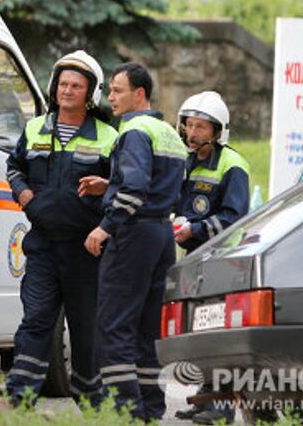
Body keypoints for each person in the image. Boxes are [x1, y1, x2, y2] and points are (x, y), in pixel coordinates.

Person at [5, 51, 118, 407]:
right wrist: (25, 195)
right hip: (42, 248)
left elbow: (122, 186)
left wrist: (105, 187)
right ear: (54, 88)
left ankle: (92, 404)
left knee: (86, 332)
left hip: (86, 252)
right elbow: (14, 167)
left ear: (90, 93)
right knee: (36, 320)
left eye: (76, 86)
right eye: (63, 84)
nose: (67, 91)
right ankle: (19, 399)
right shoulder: (35, 127)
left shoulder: (108, 136)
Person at [81, 63, 186, 422]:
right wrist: (108, 183)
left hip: (133, 234)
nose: (110, 96)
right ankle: (151, 411)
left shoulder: (134, 131)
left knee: (114, 325)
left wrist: (105, 226)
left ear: (139, 94)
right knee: (146, 329)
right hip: (161, 236)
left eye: (117, 89)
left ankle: (125, 413)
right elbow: (157, 184)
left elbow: (135, 189)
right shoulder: (168, 132)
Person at [172, 91, 250, 425]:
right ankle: (205, 401)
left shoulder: (233, 165)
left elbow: (234, 217)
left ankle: (220, 408)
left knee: (217, 332)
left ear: (218, 131)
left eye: (201, 127)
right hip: (194, 257)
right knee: (198, 333)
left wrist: (196, 229)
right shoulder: (187, 160)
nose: (191, 133)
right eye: (189, 125)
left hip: (222, 259)